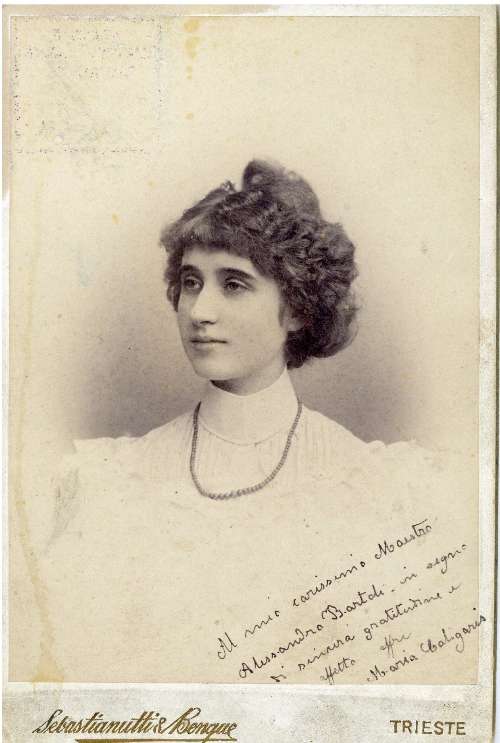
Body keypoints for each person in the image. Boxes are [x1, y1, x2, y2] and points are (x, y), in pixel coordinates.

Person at [40, 160, 475, 685]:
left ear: (297, 309)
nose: (199, 310)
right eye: (191, 282)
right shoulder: (105, 481)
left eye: (234, 284)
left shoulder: (377, 485)